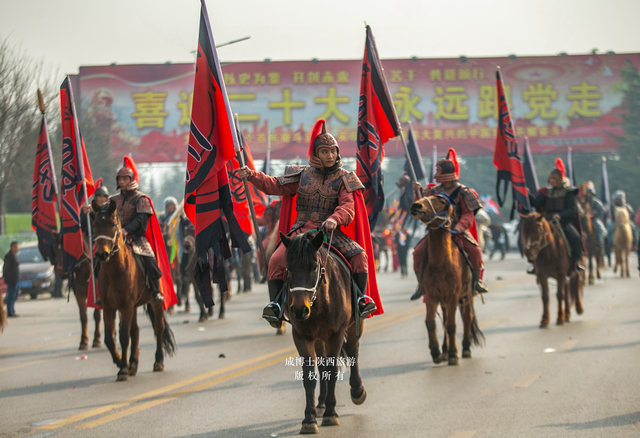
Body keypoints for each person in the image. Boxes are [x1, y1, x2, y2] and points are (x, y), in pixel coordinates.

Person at [236, 119, 376, 328]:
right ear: (316, 154)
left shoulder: (345, 178)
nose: (330, 155)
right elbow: (273, 185)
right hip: (300, 233)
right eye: (324, 151)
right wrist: (252, 176)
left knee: (360, 257)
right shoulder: (301, 175)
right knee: (275, 260)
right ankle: (275, 305)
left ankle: (360, 301)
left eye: (333, 151)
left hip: (329, 233)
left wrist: (334, 219)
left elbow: (348, 208)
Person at [410, 148, 488, 301]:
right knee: (417, 253)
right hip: (436, 231)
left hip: (457, 231)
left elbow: (468, 214)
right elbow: (420, 210)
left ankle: (476, 282)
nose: (436, 174)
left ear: (446, 173)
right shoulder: (432, 192)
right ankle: (421, 285)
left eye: (438, 171)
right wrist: (417, 193)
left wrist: (459, 227)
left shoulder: (464, 192)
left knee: (475, 251)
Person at [110, 158, 164, 303]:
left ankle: (155, 290)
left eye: (125, 178)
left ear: (131, 179)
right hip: (117, 239)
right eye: (119, 178)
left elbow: (141, 221)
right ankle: (101, 292)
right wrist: (90, 209)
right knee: (100, 259)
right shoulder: (113, 200)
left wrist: (126, 230)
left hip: (136, 238)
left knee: (150, 260)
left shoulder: (141, 199)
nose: (121, 181)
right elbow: (104, 215)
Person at [528, 158, 585, 275]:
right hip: (547, 222)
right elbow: (535, 203)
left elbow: (572, 210)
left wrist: (560, 215)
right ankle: (535, 264)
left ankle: (575, 263)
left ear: (560, 179)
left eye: (554, 178)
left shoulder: (569, 193)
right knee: (533, 238)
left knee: (576, 239)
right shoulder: (546, 192)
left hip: (563, 223)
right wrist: (526, 193)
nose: (552, 180)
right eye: (551, 178)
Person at [582, 181, 608, 253]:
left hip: (594, 219)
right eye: (588, 193)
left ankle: (599, 243)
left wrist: (595, 213)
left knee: (600, 229)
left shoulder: (596, 202)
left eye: (590, 193)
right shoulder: (583, 202)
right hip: (585, 219)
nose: (589, 195)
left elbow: (602, 210)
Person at [3, 242, 20, 317]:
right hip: (11, 280)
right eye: (16, 247)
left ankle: (12, 310)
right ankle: (9, 311)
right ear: (12, 247)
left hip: (16, 279)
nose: (17, 249)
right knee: (11, 296)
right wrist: (6, 278)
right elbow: (6, 268)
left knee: (14, 295)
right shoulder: (8, 256)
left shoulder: (14, 256)